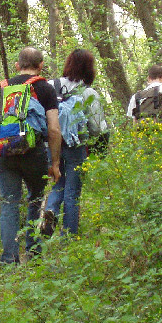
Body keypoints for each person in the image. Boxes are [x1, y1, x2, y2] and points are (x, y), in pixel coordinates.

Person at [0, 47, 62, 264]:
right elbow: (54, 130)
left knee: (9, 203)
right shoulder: (45, 89)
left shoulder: (1, 88)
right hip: (33, 152)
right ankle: (34, 252)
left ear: (17, 66)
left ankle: (9, 260)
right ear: (41, 65)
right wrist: (55, 162)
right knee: (36, 198)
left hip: (4, 152)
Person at [42, 48, 109, 236]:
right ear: (89, 69)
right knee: (72, 192)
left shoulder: (50, 85)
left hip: (51, 143)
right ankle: (68, 237)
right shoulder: (88, 93)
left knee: (57, 183)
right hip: (76, 145)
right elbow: (97, 126)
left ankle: (51, 211)